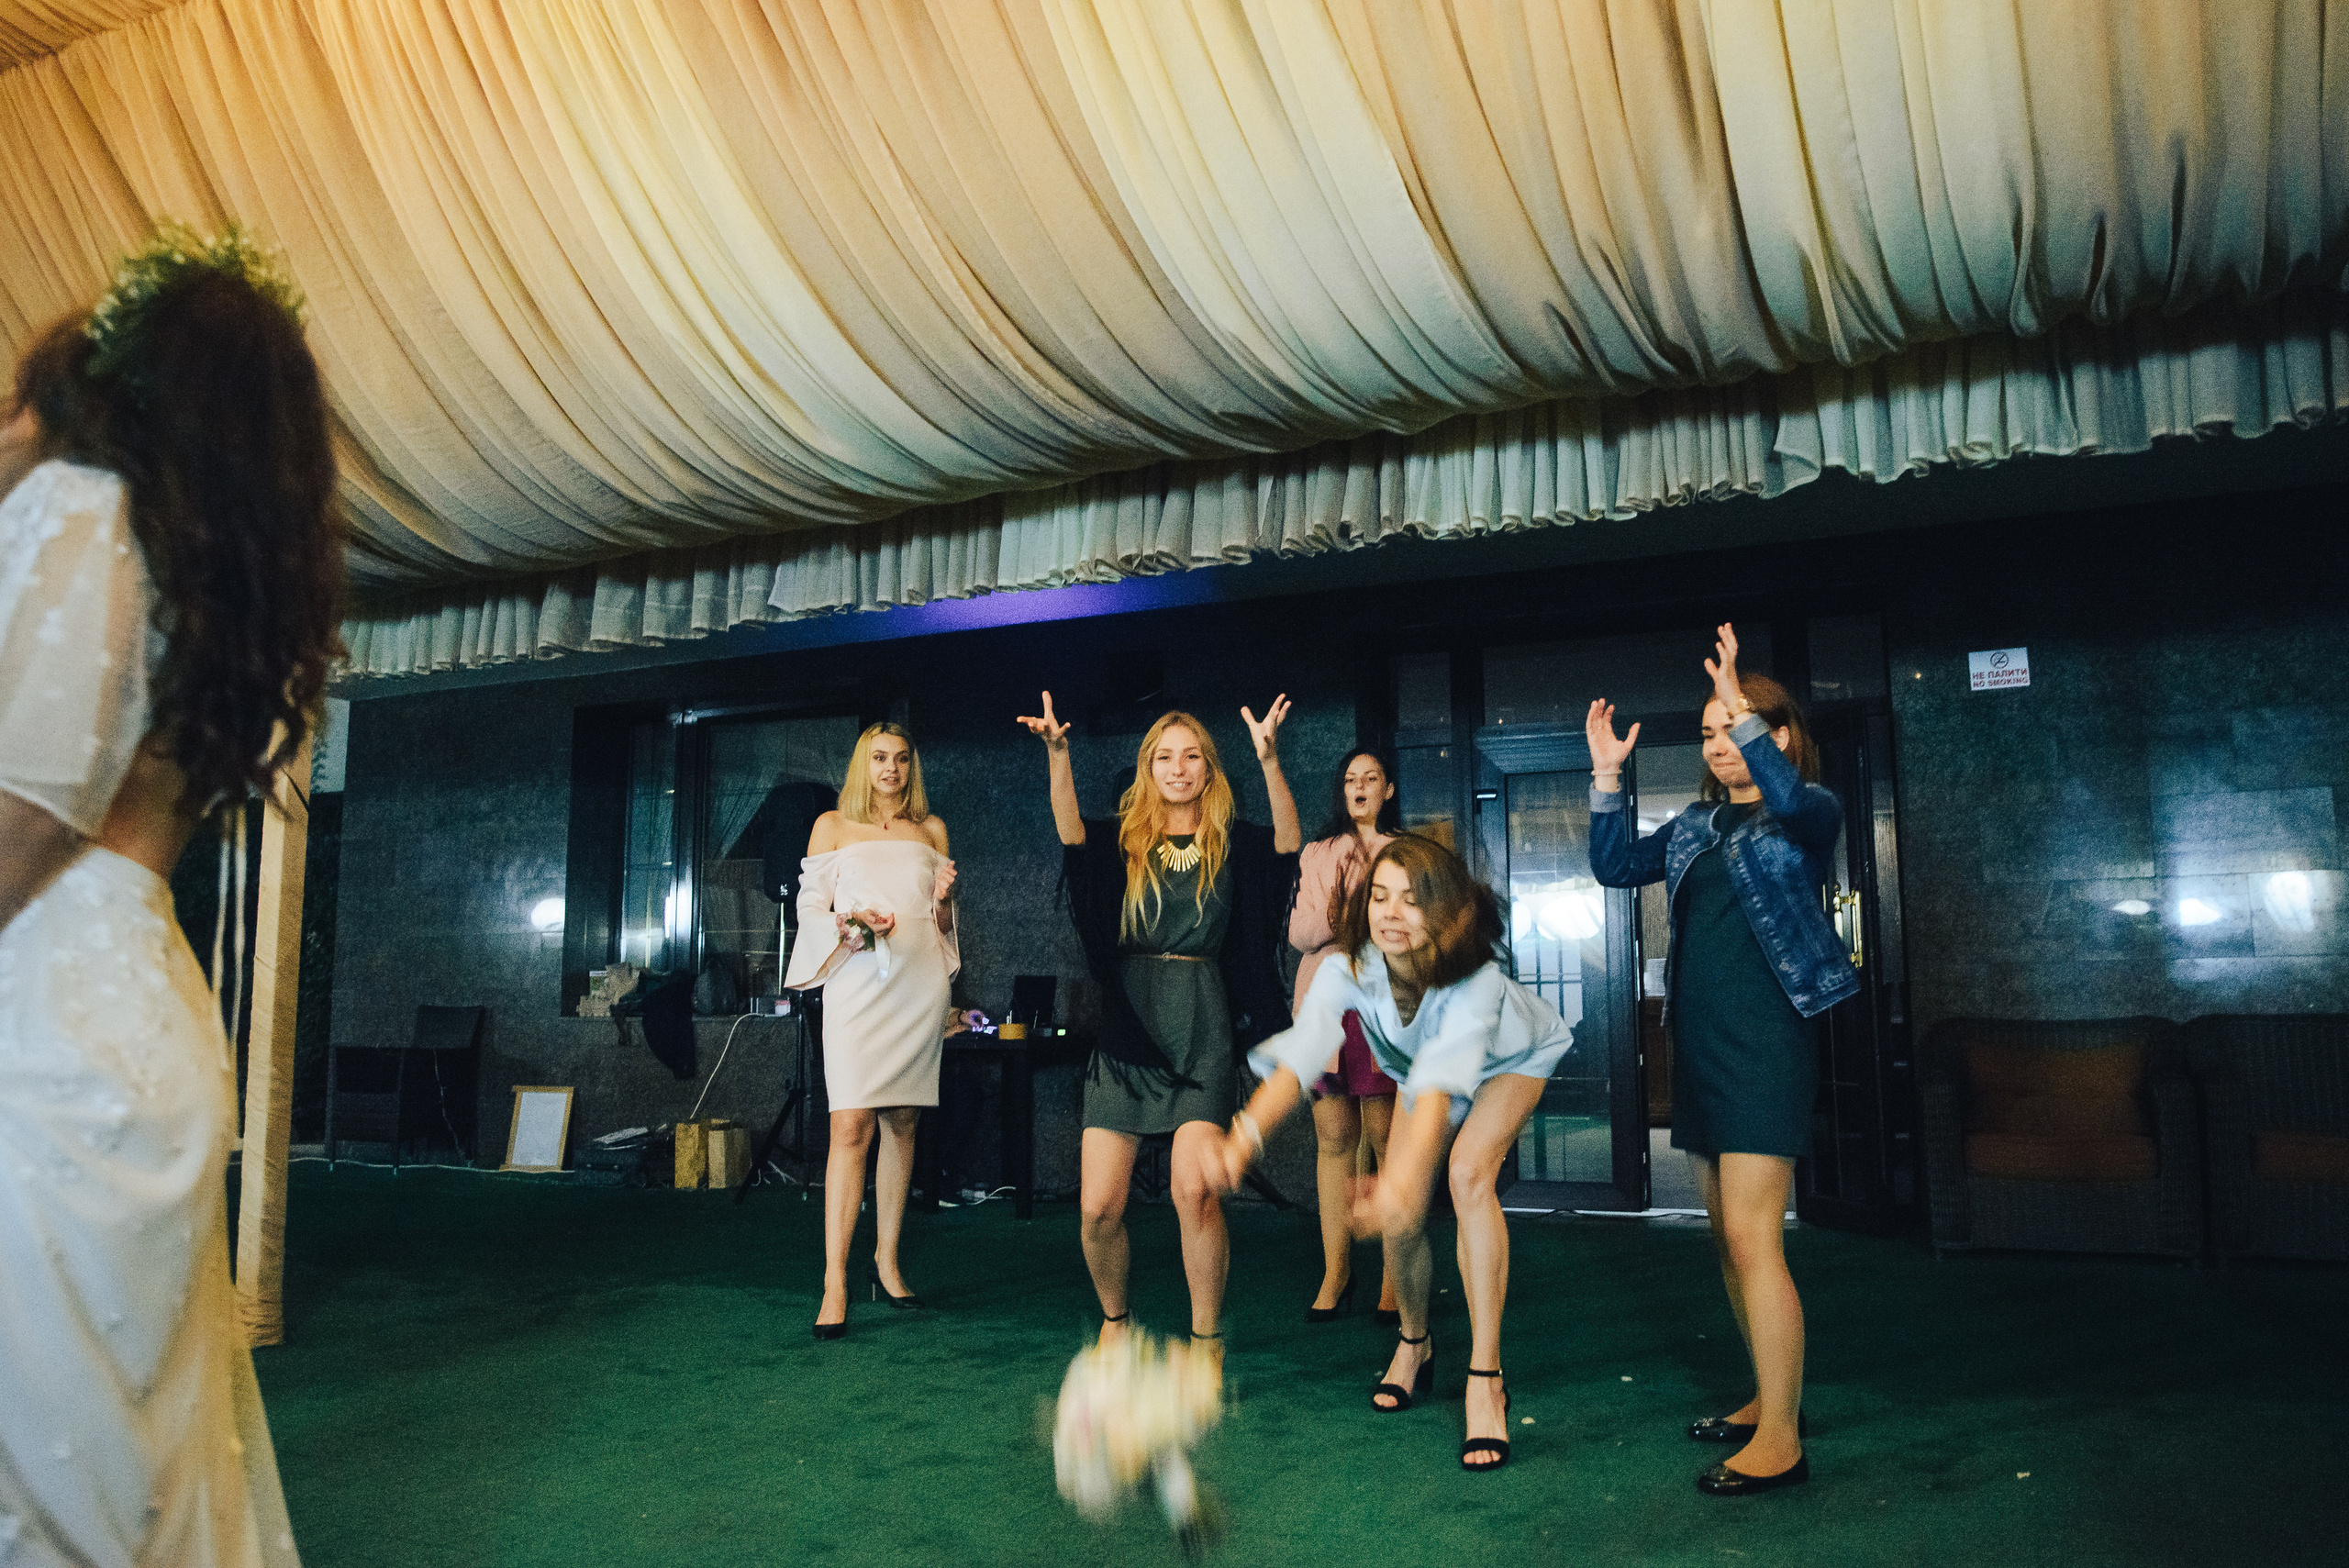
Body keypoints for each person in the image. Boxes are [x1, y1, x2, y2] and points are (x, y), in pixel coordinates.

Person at [0, 224, 340, 1567]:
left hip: (40, 1021)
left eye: (26, 392)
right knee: (131, 1465)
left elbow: (16, 824)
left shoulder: (81, 521)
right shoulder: (219, 586)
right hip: (138, 997)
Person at [1586, 622, 1857, 1497]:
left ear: (1779, 735)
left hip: (1765, 1043)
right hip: (1698, 1042)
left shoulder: (1808, 814)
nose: (1718, 741)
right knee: (1727, 1243)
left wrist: (1742, 703)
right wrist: (1603, 777)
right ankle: (1767, 1399)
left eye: (1736, 724)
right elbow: (1615, 864)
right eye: (1708, 729)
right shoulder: (1696, 825)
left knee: (1753, 1236)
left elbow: (1794, 799)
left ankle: (1783, 1436)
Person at [1216, 834, 1571, 1473]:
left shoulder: (1475, 981)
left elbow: (1438, 1088)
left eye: (1411, 899)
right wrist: (1240, 1137)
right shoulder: (1345, 969)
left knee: (1465, 1175)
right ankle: (1415, 1343)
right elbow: (1301, 1058)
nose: (1390, 911)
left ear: (1444, 910)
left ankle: (1485, 1377)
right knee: (1402, 1215)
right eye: (1380, 895)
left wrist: (1403, 1180)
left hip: (1514, 1059)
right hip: (1428, 1070)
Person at [1017, 695, 1299, 1351]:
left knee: (1194, 1190)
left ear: (1208, 769)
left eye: (1191, 755)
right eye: (1165, 756)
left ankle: (1206, 1338)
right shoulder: (1123, 839)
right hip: (1129, 1027)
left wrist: (1270, 758)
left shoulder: (1231, 840)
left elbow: (1288, 842)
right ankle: (1116, 1324)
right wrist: (1060, 755)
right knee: (1097, 1207)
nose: (1178, 768)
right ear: (1148, 768)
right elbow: (1070, 836)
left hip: (1201, 1022)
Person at [784, 723, 958, 1339]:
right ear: (863, 764)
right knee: (850, 1124)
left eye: (902, 759)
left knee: (904, 1121)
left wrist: (942, 902)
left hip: (918, 984)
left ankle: (887, 1259)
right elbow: (809, 909)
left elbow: (941, 922)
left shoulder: (930, 829)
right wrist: (851, 922)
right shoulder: (832, 825)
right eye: (880, 758)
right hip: (857, 984)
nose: (892, 768)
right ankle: (836, 1278)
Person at [1288, 750, 1401, 1322]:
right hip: (1325, 1009)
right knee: (1333, 1139)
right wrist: (1341, 916)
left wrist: (1365, 920)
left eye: (1371, 779)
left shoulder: (1406, 852)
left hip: (1382, 1009)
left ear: (1387, 789)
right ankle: (1336, 1272)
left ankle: (1393, 1277)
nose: (1360, 788)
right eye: (1351, 781)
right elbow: (1301, 931)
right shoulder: (1317, 852)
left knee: (1386, 1140)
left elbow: (1406, 931)